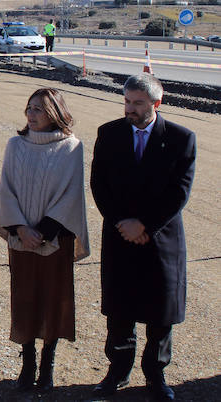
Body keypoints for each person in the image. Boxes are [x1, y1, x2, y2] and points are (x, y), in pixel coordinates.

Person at [90, 74, 195, 401]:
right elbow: (99, 184)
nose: (130, 109)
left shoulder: (180, 139)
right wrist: (123, 222)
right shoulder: (109, 134)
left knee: (160, 312)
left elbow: (179, 192)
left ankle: (156, 376)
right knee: (120, 310)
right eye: (126, 101)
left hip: (160, 240)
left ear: (156, 104)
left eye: (137, 103)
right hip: (120, 235)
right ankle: (117, 372)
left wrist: (144, 225)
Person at [0, 88, 90, 393]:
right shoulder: (15, 145)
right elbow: (6, 189)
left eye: (40, 110)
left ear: (56, 114)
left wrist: (43, 232)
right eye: (29, 108)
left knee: (52, 300)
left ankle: (47, 364)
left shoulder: (71, 148)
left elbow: (70, 195)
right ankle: (28, 362)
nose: (31, 115)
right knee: (25, 298)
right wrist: (21, 228)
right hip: (21, 241)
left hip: (54, 241)